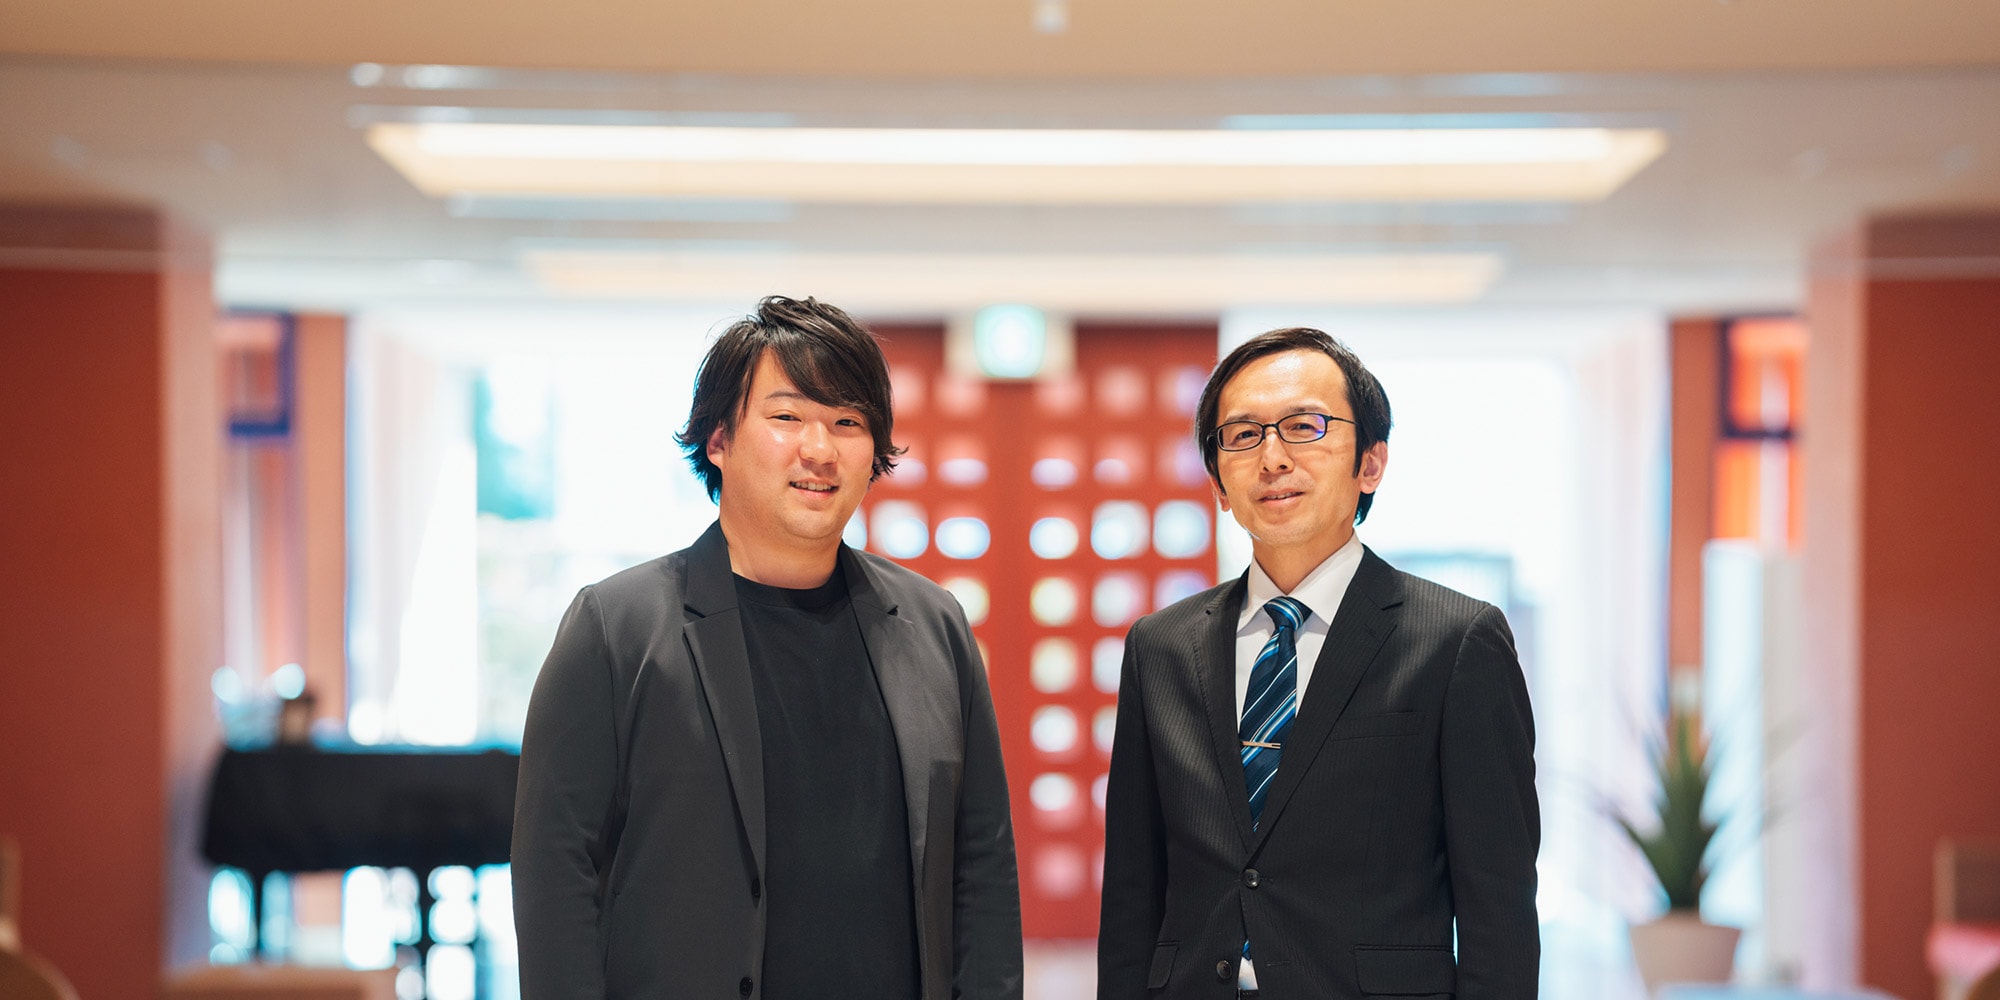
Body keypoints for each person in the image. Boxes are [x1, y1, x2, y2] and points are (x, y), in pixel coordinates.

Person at [512, 296, 1023, 1000]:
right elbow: (555, 870)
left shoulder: (934, 626)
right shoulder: (616, 628)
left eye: (847, 422)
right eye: (786, 417)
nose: (820, 449)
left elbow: (982, 864)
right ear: (719, 439)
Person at [1097, 328, 1539, 999]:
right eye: (1243, 435)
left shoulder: (1455, 643)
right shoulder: (1160, 648)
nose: (1272, 457)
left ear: (1371, 463)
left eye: (1304, 427)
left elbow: (1498, 908)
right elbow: (1133, 889)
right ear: (1218, 483)